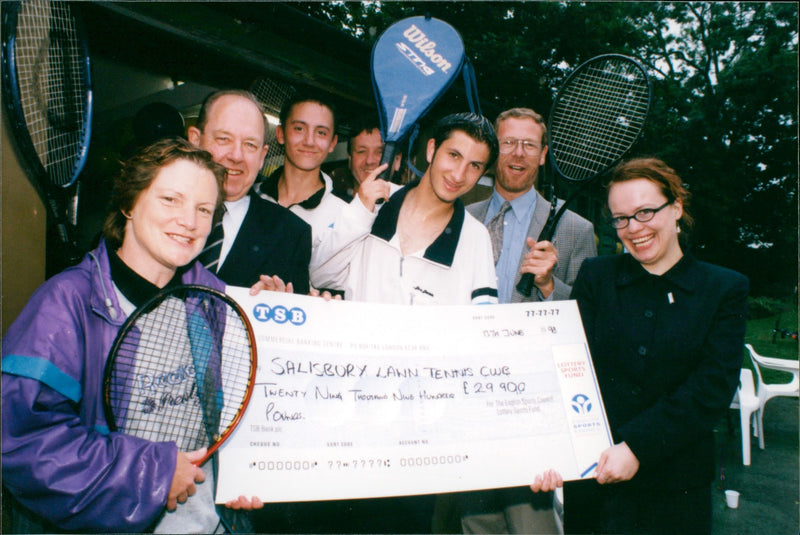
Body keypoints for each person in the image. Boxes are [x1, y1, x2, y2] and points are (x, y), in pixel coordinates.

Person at [1, 138, 268, 533]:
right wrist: (153, 473)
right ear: (129, 203)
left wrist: (297, 317)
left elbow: (236, 415)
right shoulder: (64, 304)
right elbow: (23, 444)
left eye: (203, 209)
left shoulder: (215, 300)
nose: (189, 221)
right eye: (170, 200)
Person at [564, 157, 749, 534]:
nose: (634, 228)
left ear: (676, 208)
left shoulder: (723, 289)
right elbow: (568, 364)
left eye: (645, 212)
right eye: (621, 218)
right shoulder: (596, 277)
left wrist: (636, 447)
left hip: (675, 488)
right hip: (593, 479)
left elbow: (711, 387)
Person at [310, 112, 500, 306]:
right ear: (431, 150)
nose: (459, 175)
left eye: (474, 166)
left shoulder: (476, 237)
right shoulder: (374, 202)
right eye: (454, 155)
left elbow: (482, 322)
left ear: (483, 174)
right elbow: (320, 275)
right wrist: (361, 211)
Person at [467, 108, 596, 304]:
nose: (519, 153)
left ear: (543, 155)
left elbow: (589, 311)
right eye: (508, 143)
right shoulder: (463, 218)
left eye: (529, 145)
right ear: (493, 150)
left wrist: (548, 285)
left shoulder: (577, 230)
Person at [187, 90, 312, 292]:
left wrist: (280, 309)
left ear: (262, 156)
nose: (236, 156)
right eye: (224, 139)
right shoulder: (157, 213)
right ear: (195, 140)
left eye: (250, 145)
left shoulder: (291, 234)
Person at [255, 91, 347, 241]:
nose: (309, 141)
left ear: (333, 143)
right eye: (299, 128)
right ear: (280, 134)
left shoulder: (342, 217)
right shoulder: (252, 196)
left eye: (321, 132)